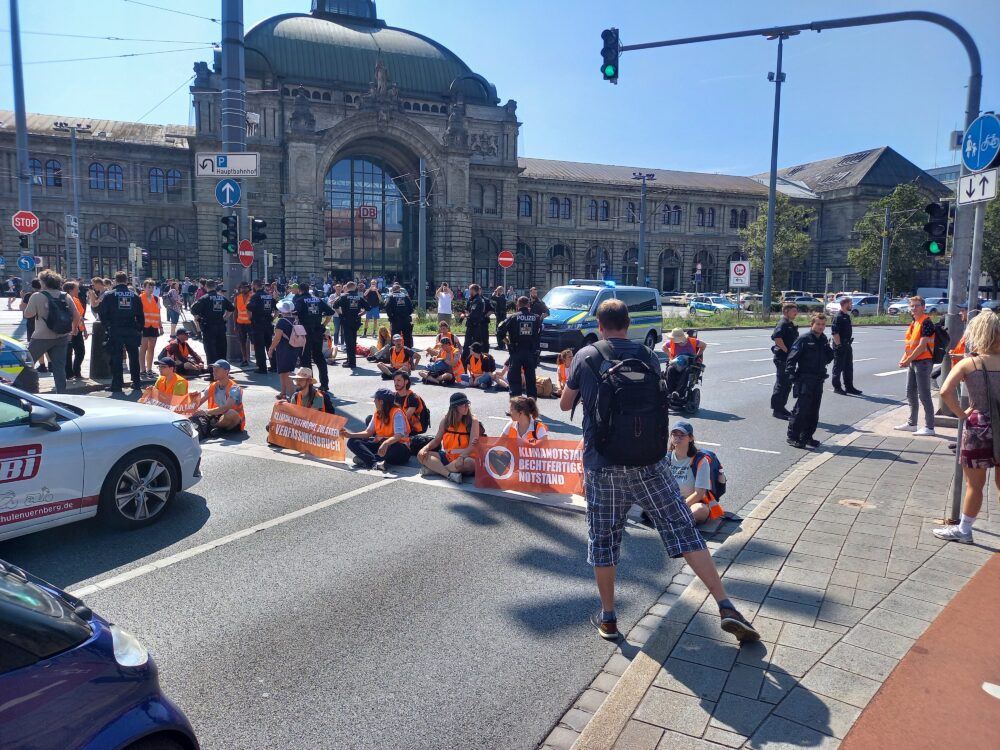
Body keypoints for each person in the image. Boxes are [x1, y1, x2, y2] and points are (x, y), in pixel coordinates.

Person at [558, 298, 757, 642]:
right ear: (628, 323)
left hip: (602, 466)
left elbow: (565, 403)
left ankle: (608, 618)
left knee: (604, 541)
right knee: (685, 531)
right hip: (650, 464)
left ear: (600, 324)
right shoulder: (649, 356)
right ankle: (726, 605)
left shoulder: (585, 356)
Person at [934, 310, 1000, 544]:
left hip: (978, 428)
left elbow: (944, 391)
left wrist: (962, 414)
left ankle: (965, 530)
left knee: (975, 485)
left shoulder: (969, 363)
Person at [22, 269, 80, 394]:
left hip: (41, 336)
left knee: (26, 364)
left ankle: (28, 391)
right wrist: (74, 329)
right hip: (62, 336)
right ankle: (61, 394)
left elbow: (28, 314)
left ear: (43, 282)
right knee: (59, 368)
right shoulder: (65, 295)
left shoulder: (37, 296)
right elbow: (77, 316)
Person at [785, 312, 835, 449]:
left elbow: (829, 358)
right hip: (805, 378)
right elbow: (791, 358)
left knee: (814, 410)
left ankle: (807, 436)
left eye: (823, 324)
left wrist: (833, 349)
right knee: (801, 410)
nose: (821, 327)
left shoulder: (823, 339)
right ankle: (793, 436)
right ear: (812, 324)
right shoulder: (804, 339)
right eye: (818, 324)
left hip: (818, 379)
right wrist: (791, 375)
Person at [666, 420, 724, 524]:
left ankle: (674, 517)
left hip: (692, 503)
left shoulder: (700, 460)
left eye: (682, 435)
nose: (677, 437)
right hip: (669, 501)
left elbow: (699, 494)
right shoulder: (666, 457)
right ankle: (678, 518)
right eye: (674, 434)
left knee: (699, 511)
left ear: (690, 438)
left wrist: (677, 508)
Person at [894, 295, 936, 436]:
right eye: (912, 305)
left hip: (923, 362)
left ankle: (930, 427)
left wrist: (907, 360)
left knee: (924, 395)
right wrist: (904, 359)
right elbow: (910, 345)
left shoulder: (926, 322)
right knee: (910, 392)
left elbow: (922, 346)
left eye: (917, 305)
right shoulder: (914, 322)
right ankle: (912, 423)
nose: (914, 308)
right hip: (914, 362)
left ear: (923, 307)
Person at [418, 391, 479, 483]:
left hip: (465, 458)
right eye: (464, 404)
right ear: (455, 407)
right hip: (448, 457)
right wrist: (425, 448)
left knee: (468, 463)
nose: (467, 406)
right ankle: (449, 474)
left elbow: (472, 445)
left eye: (468, 404)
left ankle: (435, 471)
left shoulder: (473, 421)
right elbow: (437, 440)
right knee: (421, 455)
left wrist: (461, 457)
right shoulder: (445, 421)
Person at [99, 271, 144, 393]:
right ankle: (136, 382)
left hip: (115, 329)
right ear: (126, 281)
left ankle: (117, 384)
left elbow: (102, 313)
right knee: (134, 357)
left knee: (116, 357)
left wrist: (107, 326)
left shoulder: (109, 295)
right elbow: (141, 315)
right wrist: (138, 328)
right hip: (131, 329)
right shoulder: (134, 296)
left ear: (115, 281)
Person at [345, 389, 411, 472]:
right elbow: (368, 432)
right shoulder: (377, 412)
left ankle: (367, 459)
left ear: (381, 401)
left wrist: (386, 443)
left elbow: (399, 435)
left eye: (375, 399)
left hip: (398, 447)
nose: (374, 401)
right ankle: (375, 463)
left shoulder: (397, 413)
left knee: (396, 449)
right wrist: (350, 435)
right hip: (381, 445)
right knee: (353, 441)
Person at [292, 282, 334, 392]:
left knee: (305, 359)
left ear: (300, 290)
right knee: (319, 357)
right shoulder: (318, 299)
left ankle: (308, 385)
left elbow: (295, 313)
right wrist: (323, 325)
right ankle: (324, 384)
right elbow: (330, 312)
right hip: (317, 332)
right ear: (308, 288)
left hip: (305, 333)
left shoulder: (300, 300)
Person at [496, 295, 541, 398]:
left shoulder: (513, 317)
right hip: (530, 352)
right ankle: (531, 406)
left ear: (517, 305)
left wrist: (507, 342)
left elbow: (500, 332)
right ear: (529, 305)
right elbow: (539, 335)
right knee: (530, 380)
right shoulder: (536, 318)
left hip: (516, 351)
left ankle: (516, 408)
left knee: (515, 380)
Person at [190, 280, 233, 379]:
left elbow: (193, 309)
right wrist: (224, 317)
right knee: (221, 350)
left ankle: (213, 375)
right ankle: (223, 374)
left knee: (210, 351)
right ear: (215, 286)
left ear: (206, 287)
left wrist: (198, 318)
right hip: (220, 326)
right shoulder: (221, 297)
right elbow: (231, 308)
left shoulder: (205, 298)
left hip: (209, 327)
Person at [190, 360, 245, 438]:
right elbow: (199, 402)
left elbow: (226, 407)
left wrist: (205, 412)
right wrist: (192, 399)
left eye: (217, 370)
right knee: (197, 413)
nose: (214, 372)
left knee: (229, 412)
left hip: (234, 420)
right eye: (213, 369)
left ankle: (214, 427)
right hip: (217, 415)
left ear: (226, 371)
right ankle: (216, 427)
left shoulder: (234, 388)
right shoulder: (212, 386)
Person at [770, 301, 799, 420]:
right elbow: (777, 338)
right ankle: (777, 410)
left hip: (787, 358)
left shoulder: (789, 323)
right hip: (782, 358)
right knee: (782, 384)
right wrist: (787, 352)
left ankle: (782, 407)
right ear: (786, 312)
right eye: (794, 311)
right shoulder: (783, 323)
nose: (796, 313)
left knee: (787, 384)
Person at [268, 300, 301, 400]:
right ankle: (283, 393)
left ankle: (292, 397)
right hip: (294, 348)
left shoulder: (281, 321)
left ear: (282, 311)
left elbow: (277, 338)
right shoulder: (295, 320)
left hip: (284, 349)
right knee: (283, 372)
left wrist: (271, 349)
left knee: (286, 373)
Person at [331, 281, 368, 369]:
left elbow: (335, 306)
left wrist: (340, 314)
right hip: (355, 321)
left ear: (347, 288)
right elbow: (367, 308)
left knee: (348, 342)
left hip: (346, 321)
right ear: (355, 288)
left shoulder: (343, 296)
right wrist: (360, 314)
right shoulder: (359, 297)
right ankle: (351, 360)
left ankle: (351, 362)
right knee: (353, 341)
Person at [831, 296, 862, 396]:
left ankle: (849, 387)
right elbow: (835, 333)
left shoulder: (846, 316)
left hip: (847, 344)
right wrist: (839, 345)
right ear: (845, 304)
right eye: (850, 303)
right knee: (838, 367)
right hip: (840, 345)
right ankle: (837, 387)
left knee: (848, 367)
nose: (851, 305)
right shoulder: (838, 317)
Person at [663, 328, 706, 397]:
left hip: (689, 363)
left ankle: (678, 392)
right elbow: (664, 347)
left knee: (687, 371)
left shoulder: (692, 341)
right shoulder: (672, 342)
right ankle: (670, 392)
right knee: (670, 369)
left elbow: (704, 345)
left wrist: (697, 355)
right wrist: (670, 356)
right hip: (677, 363)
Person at [247, 279, 276, 374]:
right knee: (269, 345)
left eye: (252, 285)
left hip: (258, 324)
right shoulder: (268, 296)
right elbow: (277, 308)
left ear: (255, 285)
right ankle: (274, 365)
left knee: (259, 347)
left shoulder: (255, 296)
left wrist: (251, 318)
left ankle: (262, 368)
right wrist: (272, 318)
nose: (251, 287)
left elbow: (249, 308)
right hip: (268, 323)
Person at [63, 281, 88, 381]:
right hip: (70, 329)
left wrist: (84, 329)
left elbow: (80, 316)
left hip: (78, 329)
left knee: (80, 352)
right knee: (68, 353)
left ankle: (77, 371)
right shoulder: (65, 300)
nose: (78, 290)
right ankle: (69, 374)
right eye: (76, 288)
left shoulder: (76, 300)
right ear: (70, 290)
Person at [138, 279, 162, 380]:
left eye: (152, 287)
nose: (151, 289)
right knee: (143, 348)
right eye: (149, 287)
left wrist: (160, 326)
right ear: (144, 288)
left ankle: (149, 369)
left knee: (151, 349)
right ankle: (142, 370)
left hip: (154, 326)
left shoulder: (156, 299)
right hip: (144, 326)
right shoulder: (140, 298)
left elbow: (158, 313)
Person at [461, 283, 490, 362]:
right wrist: (465, 313)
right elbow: (466, 309)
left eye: (470, 289)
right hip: (471, 325)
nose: (469, 291)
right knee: (468, 343)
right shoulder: (472, 299)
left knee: (473, 344)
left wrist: (465, 315)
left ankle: (470, 360)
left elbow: (473, 314)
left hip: (475, 326)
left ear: (473, 290)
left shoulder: (478, 300)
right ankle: (467, 360)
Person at [393, 371, 427, 435]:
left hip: (413, 428)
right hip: (399, 424)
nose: (396, 383)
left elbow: (405, 419)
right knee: (371, 418)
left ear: (406, 381)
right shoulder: (393, 396)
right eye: (394, 381)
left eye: (399, 380)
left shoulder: (413, 398)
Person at [384, 281, 414, 348]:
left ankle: (395, 354)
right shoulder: (406, 296)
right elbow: (411, 308)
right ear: (400, 289)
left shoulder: (391, 297)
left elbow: (387, 307)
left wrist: (391, 317)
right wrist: (406, 314)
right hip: (406, 320)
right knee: (407, 339)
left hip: (396, 320)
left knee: (395, 338)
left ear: (393, 290)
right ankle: (407, 355)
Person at [233, 281, 253, 367]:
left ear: (249, 288)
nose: (243, 289)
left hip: (251, 323)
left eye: (245, 287)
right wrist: (235, 324)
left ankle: (255, 357)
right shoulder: (237, 297)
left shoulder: (252, 296)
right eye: (242, 287)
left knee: (254, 341)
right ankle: (245, 359)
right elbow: (235, 311)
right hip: (240, 323)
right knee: (242, 342)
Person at [327, 282, 343, 350]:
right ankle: (336, 344)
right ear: (335, 289)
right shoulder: (332, 295)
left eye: (339, 289)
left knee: (343, 331)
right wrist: (336, 298)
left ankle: (342, 344)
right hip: (336, 315)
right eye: (337, 289)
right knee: (336, 330)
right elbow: (329, 303)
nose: (338, 290)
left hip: (343, 315)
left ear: (341, 289)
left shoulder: (343, 295)